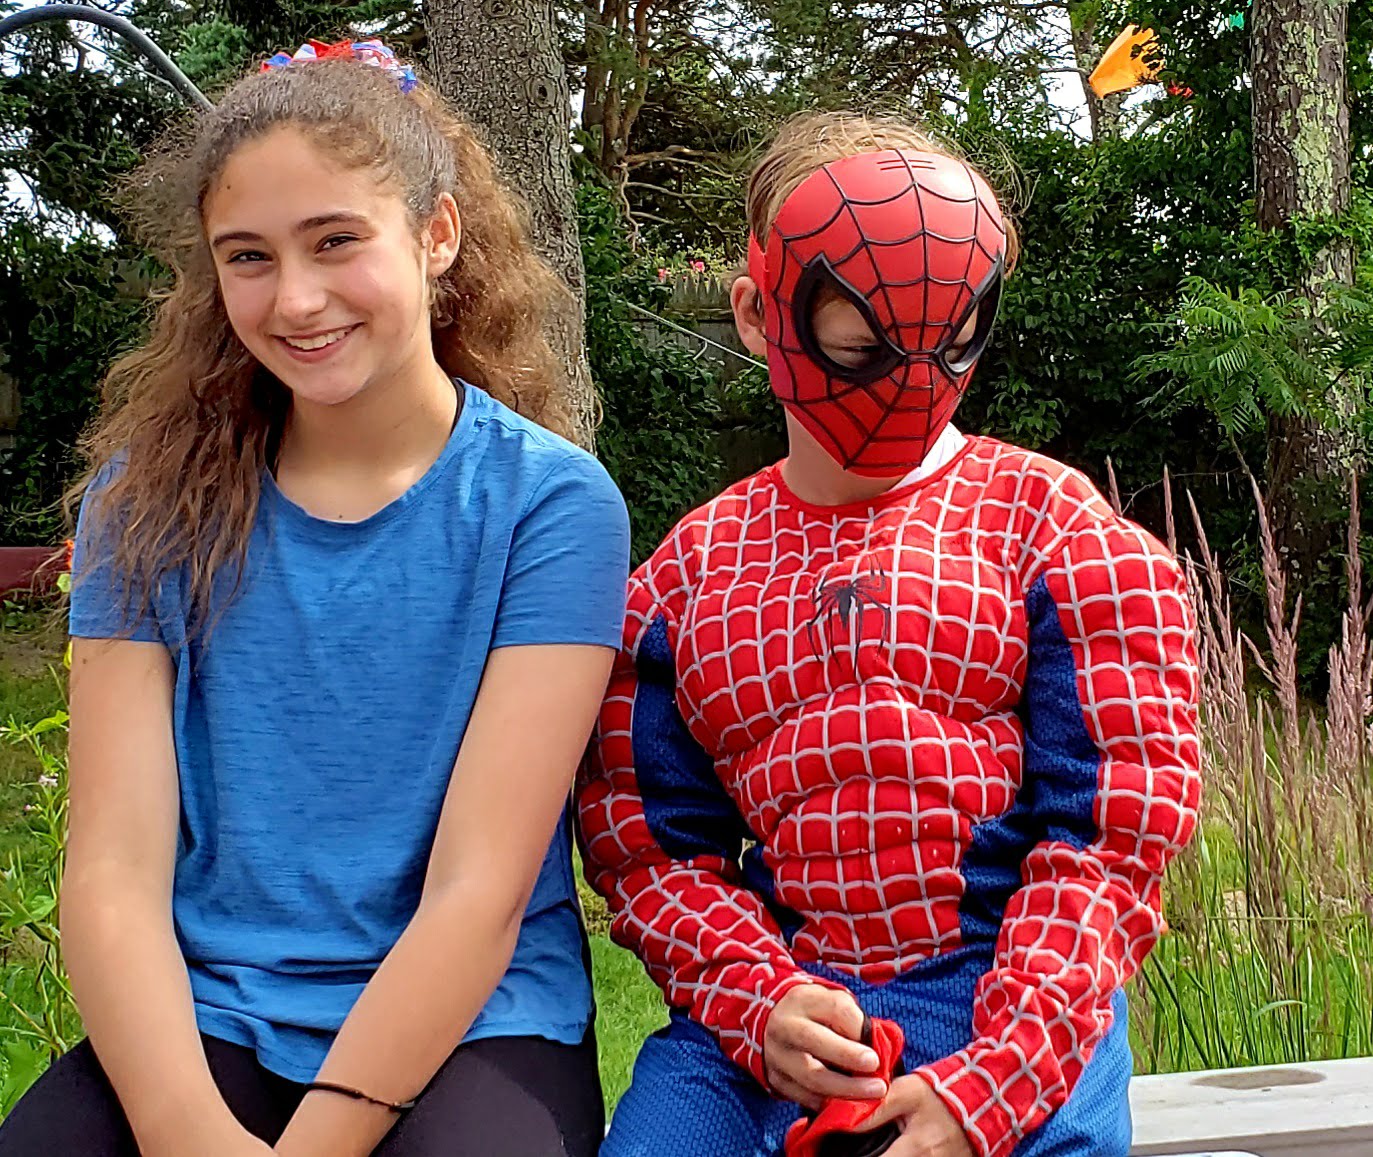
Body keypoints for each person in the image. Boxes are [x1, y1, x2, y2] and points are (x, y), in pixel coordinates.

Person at [0, 38, 629, 1157]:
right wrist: (185, 1127)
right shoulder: (141, 504)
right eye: (247, 256)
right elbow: (110, 871)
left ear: (436, 235)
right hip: (211, 1010)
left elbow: (477, 891)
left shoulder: (549, 507)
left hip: (474, 1021)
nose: (295, 298)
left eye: (336, 240)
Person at [577, 111, 1201, 1157]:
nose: (909, 383)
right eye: (857, 346)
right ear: (757, 313)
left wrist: (997, 1080)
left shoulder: (1056, 531)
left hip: (1012, 991)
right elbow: (647, 847)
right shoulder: (682, 579)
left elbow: (1109, 835)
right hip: (775, 1013)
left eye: (951, 341)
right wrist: (757, 997)